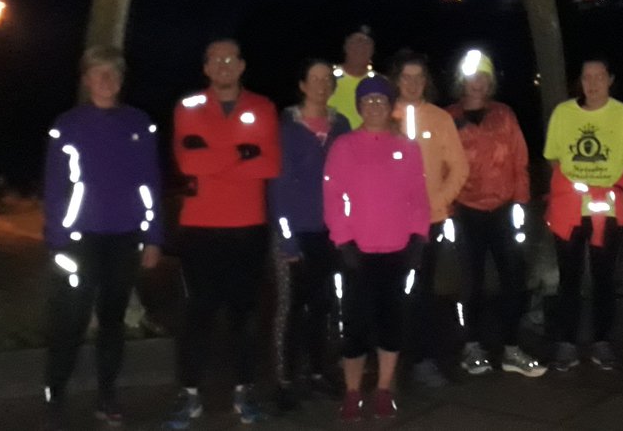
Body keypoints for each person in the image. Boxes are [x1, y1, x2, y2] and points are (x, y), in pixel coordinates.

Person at [41, 45, 164, 429]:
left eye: (113, 73)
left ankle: (107, 395)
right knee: (71, 318)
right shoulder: (68, 124)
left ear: (121, 79)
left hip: (124, 237)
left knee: (112, 321)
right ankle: (55, 391)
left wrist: (154, 236)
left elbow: (150, 183)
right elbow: (54, 184)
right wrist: (57, 237)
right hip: (79, 239)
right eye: (98, 73)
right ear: (86, 79)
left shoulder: (139, 124)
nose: (106, 80)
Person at [165, 39, 281, 428]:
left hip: (248, 226)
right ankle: (191, 394)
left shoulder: (263, 107)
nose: (224, 65)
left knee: (245, 317)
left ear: (243, 65)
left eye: (231, 59)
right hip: (200, 228)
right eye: (216, 59)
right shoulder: (188, 107)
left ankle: (244, 392)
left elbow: (269, 164)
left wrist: (214, 157)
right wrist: (241, 153)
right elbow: (186, 160)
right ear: (206, 68)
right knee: (198, 314)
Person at [323, 76, 430, 421]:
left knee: (391, 322)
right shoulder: (344, 146)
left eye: (380, 101)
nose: (374, 107)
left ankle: (384, 389)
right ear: (358, 107)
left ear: (390, 106)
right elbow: (333, 196)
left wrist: (418, 237)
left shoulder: (407, 147)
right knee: (353, 325)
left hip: (397, 249)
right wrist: (343, 240)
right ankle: (352, 392)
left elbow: (418, 197)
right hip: (357, 252)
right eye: (367, 101)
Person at [445, 50, 544, 377]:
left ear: (490, 81)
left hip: (503, 211)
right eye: (471, 76)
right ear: (462, 80)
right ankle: (471, 345)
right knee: (469, 282)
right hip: (464, 212)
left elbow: (520, 162)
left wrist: (521, 203)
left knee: (514, 279)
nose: (476, 82)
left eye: (482, 75)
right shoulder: (448, 117)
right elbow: (440, 167)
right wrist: (446, 210)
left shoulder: (505, 115)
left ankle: (512, 347)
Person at [544, 58, 623, 372]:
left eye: (599, 76)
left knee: (604, 278)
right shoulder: (563, 113)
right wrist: (573, 187)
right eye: (587, 77)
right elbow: (553, 159)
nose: (593, 83)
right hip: (570, 211)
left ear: (610, 79)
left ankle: (602, 340)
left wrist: (619, 188)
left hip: (609, 211)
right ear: (580, 82)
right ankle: (566, 342)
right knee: (568, 278)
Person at [267, 59, 352, 411]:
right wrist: (287, 239)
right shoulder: (286, 128)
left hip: (330, 232)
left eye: (325, 80)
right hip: (294, 233)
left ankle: (318, 371)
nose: (320, 85)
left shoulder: (341, 126)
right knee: (290, 308)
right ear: (302, 85)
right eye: (313, 79)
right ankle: (284, 379)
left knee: (323, 305)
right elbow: (277, 187)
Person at [389, 50, 469, 387]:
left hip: (429, 221)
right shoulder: (382, 114)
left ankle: (422, 360)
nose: (411, 83)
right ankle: (389, 362)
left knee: (422, 291)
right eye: (405, 77)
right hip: (387, 224)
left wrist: (436, 201)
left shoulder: (439, 118)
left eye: (418, 77)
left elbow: (459, 168)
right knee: (390, 291)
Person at [327, 28, 376, 129]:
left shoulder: (380, 83)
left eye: (366, 43)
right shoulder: (327, 78)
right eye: (355, 42)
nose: (360, 47)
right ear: (345, 46)